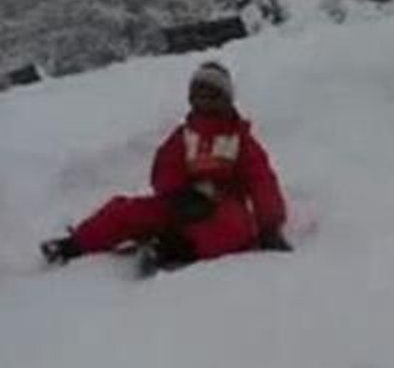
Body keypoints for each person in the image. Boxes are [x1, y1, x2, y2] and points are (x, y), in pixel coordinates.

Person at [40, 60, 291, 273]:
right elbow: (164, 167)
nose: (206, 103)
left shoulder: (240, 140)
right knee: (125, 211)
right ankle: (74, 244)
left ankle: (170, 249)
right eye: (199, 96)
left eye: (213, 96)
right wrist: (178, 193)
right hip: (178, 203)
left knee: (235, 230)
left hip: (219, 207)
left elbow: (262, 181)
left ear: (226, 100)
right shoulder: (183, 136)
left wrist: (270, 226)